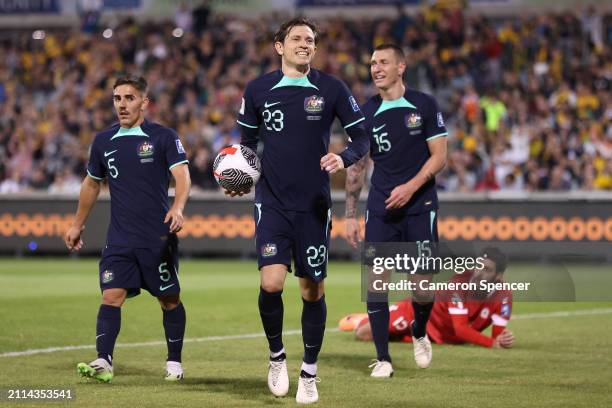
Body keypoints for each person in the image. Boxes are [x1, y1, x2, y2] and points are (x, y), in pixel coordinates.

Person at [233, 17, 369, 404]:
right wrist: (237, 180)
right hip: (272, 202)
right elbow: (245, 147)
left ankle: (309, 371)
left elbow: (362, 136)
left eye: (310, 40)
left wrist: (344, 158)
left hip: (313, 205)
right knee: (271, 284)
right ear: (279, 46)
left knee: (312, 289)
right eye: (297, 39)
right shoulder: (258, 89)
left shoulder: (331, 87)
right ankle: (277, 356)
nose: (305, 45)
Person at [64, 75, 191, 383]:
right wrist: (77, 224)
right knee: (111, 296)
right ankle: (104, 360)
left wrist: (177, 207)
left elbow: (182, 175)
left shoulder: (163, 137)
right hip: (119, 238)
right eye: (117, 98)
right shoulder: (103, 141)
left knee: (169, 299)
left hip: (156, 238)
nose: (122, 104)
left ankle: (174, 362)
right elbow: (92, 183)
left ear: (144, 102)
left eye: (129, 98)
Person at [345, 44, 448, 378]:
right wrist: (349, 214)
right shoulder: (365, 112)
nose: (376, 68)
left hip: (420, 206)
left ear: (401, 67)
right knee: (377, 283)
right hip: (381, 209)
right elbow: (357, 167)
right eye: (372, 63)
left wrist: (411, 187)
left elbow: (439, 156)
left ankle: (419, 330)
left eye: (383, 62)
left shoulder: (425, 105)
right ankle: (383, 358)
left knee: (422, 287)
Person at [340, 247, 515, 349]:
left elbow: (497, 336)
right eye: (478, 267)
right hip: (417, 312)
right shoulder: (459, 283)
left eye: (487, 270)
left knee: (396, 338)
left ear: (499, 275)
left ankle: (399, 329)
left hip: (438, 336)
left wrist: (502, 339)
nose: (479, 273)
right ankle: (362, 319)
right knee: (364, 334)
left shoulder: (504, 296)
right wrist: (492, 344)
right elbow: (460, 329)